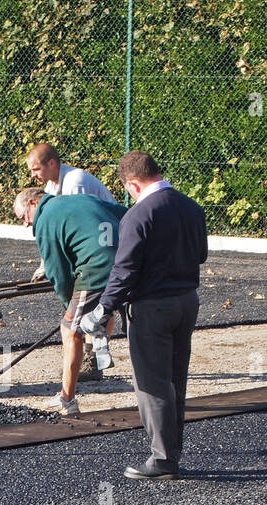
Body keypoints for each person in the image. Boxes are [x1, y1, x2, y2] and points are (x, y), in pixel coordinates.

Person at [81, 150, 206, 480]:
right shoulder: (191, 207)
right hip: (186, 301)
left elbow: (124, 271)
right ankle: (172, 450)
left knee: (152, 383)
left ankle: (162, 459)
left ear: (133, 183)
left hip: (152, 308)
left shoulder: (138, 216)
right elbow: (201, 255)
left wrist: (102, 309)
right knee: (176, 379)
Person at [14, 186, 124, 414]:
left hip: (96, 269)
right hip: (126, 264)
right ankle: (99, 343)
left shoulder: (44, 219)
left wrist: (69, 306)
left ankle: (67, 399)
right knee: (111, 309)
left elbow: (58, 274)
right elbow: (126, 213)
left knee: (69, 329)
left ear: (33, 203)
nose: (26, 224)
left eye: (23, 217)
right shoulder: (83, 199)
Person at [25, 143, 116, 202]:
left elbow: (80, 220)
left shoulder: (75, 181)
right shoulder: (50, 185)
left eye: (36, 169)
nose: (33, 175)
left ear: (51, 163)